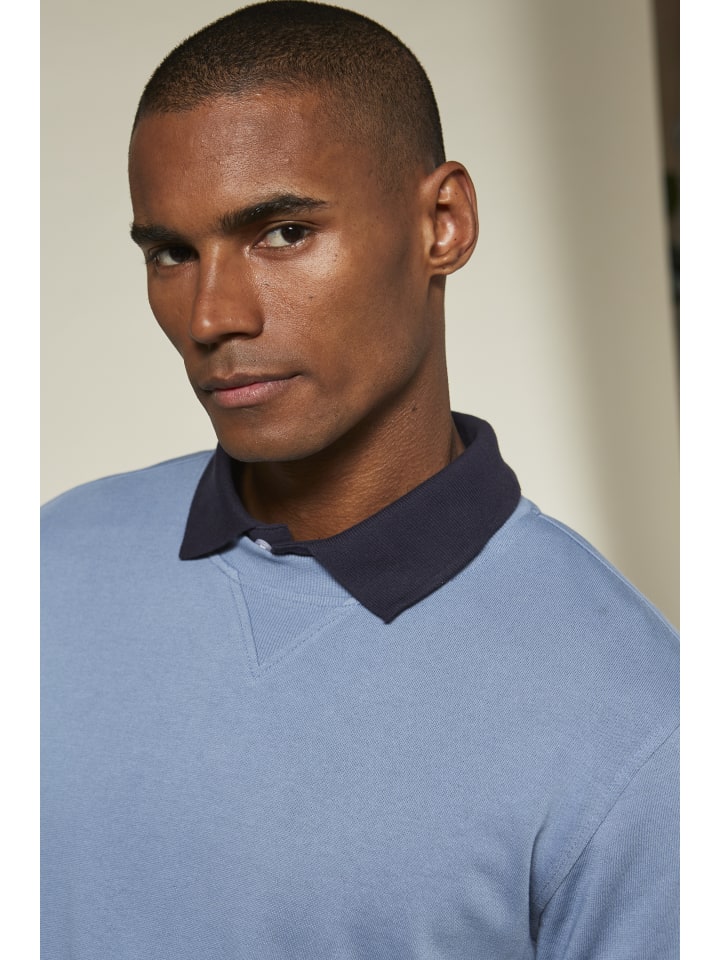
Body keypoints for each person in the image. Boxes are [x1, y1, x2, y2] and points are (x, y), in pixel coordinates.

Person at [41, 2, 679, 957]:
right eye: (172, 252)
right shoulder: (48, 563)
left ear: (442, 224)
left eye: (284, 232)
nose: (212, 316)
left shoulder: (639, 723)